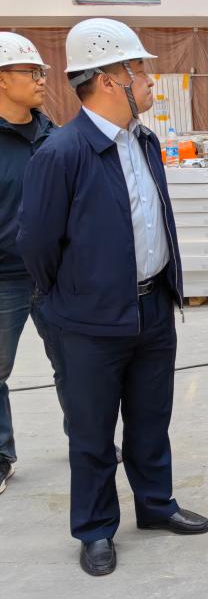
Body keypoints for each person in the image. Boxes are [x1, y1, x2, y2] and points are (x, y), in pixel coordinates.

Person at [18, 18, 208, 577]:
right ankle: (96, 528)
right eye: (139, 70)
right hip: (88, 319)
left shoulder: (143, 141)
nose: (148, 80)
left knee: (151, 419)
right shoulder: (62, 152)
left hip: (152, 308)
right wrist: (73, 296)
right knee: (93, 432)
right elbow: (36, 243)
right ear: (108, 80)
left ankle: (155, 506)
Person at [0, 32, 65, 496]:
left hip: (55, 276)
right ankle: (1, 455)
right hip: (3, 278)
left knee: (73, 363)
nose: (42, 79)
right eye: (31, 71)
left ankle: (87, 438)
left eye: (42, 72)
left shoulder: (53, 138)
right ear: (2, 79)